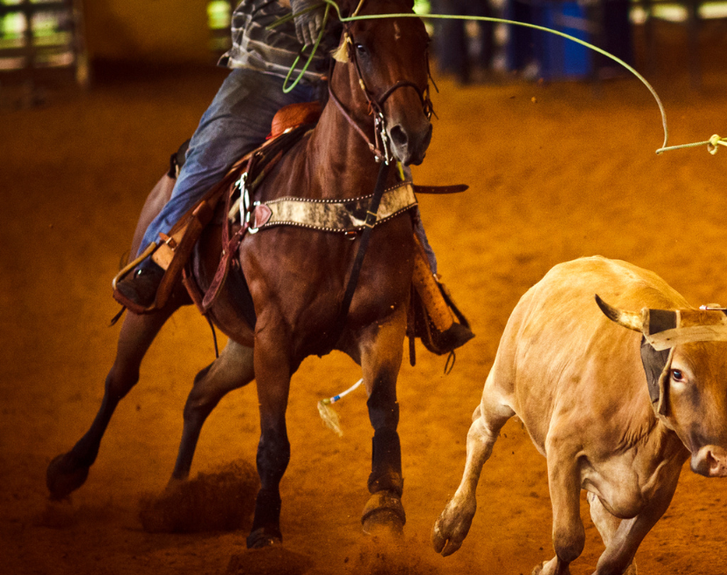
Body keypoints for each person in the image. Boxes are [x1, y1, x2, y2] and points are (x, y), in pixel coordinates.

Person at [114, 0, 472, 353]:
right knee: (209, 155)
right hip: (265, 71)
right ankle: (154, 262)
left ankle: (428, 292)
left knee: (393, 176)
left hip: (344, 73)